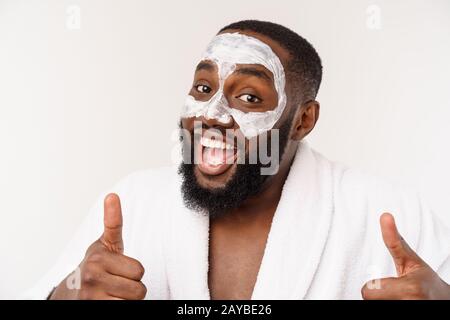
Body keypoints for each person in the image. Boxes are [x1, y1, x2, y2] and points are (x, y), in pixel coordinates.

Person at [28, 20, 450, 300]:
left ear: (304, 120)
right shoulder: (133, 201)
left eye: (249, 97)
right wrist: (65, 294)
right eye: (202, 87)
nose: (211, 114)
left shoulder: (387, 214)